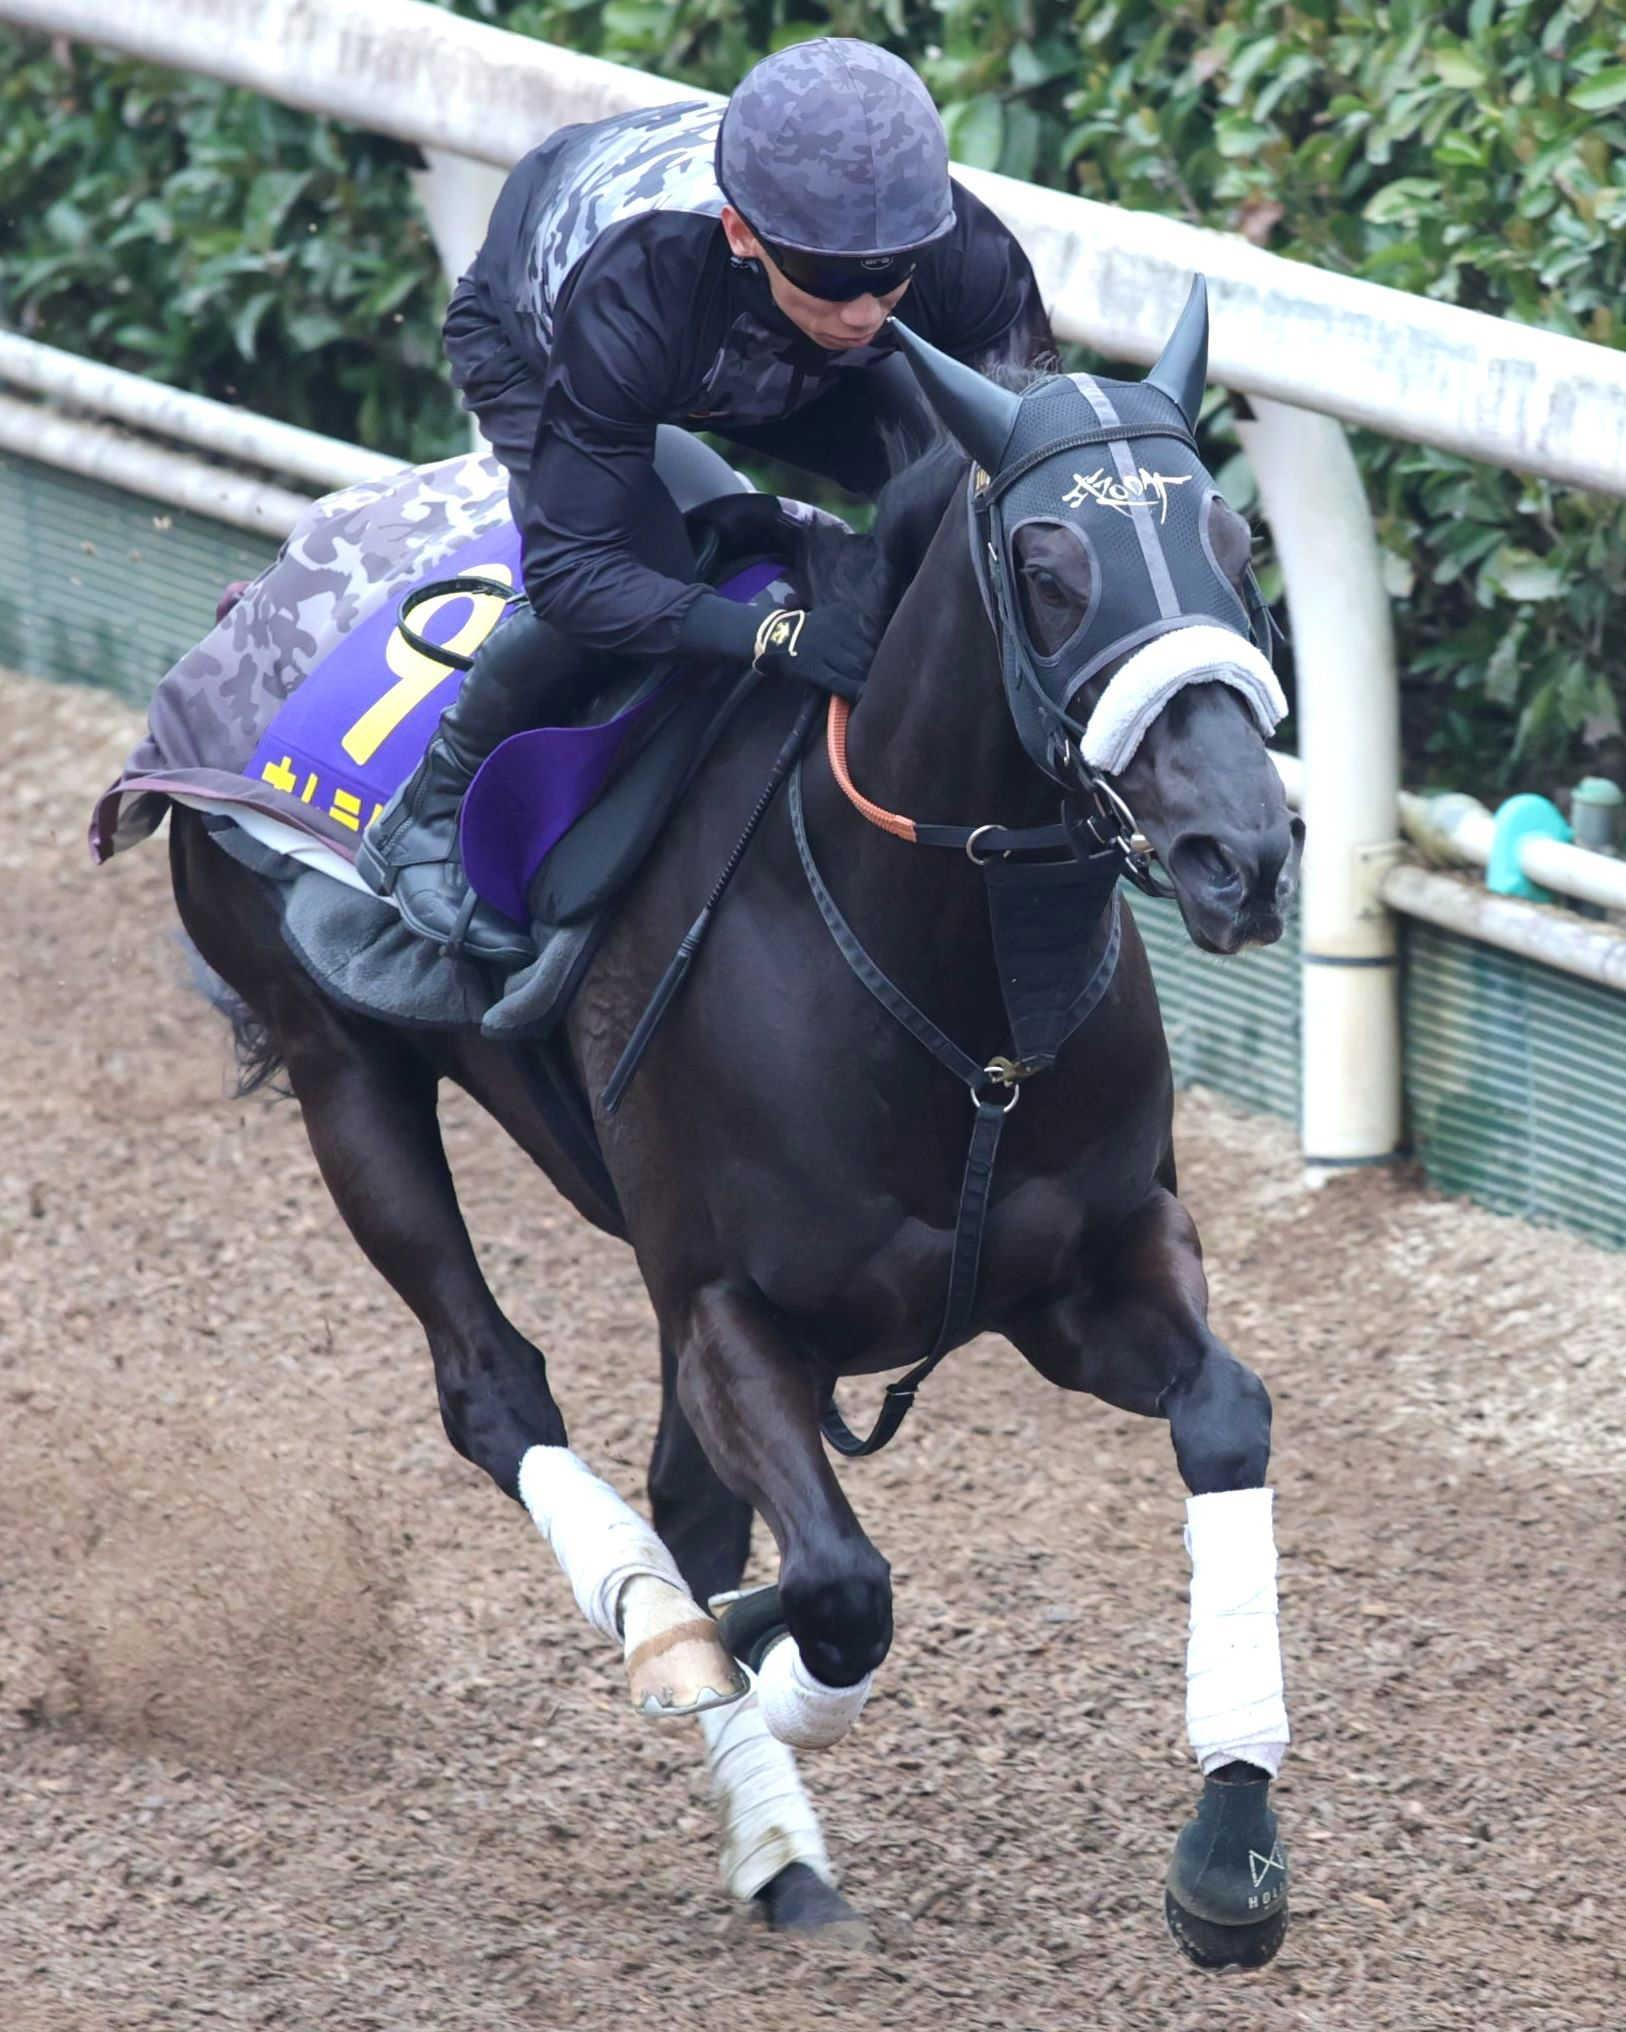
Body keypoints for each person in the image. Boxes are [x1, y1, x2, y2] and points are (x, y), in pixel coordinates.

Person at [356, 38, 1055, 963]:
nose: (865, 311)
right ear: (740, 231)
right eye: (833, 278)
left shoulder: (961, 254)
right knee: (641, 573)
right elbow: (577, 574)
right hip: (555, 330)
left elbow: (1037, 474)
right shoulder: (639, 278)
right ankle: (430, 803)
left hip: (769, 348)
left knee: (951, 494)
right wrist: (777, 638)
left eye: (891, 273)